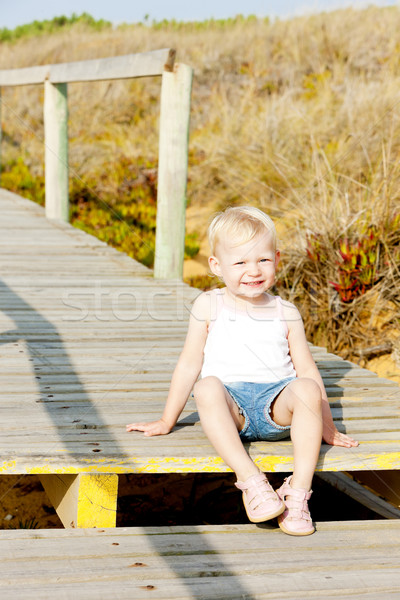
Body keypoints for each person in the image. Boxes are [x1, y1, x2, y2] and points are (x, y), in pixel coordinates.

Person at [126, 206, 358, 536]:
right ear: (216, 266)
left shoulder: (285, 311)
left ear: (276, 259)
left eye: (263, 260)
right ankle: (251, 480)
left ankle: (297, 493)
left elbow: (307, 368)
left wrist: (328, 426)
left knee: (305, 386)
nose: (253, 270)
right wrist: (167, 419)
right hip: (231, 409)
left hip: (277, 407)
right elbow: (189, 363)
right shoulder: (209, 305)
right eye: (240, 262)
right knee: (206, 387)